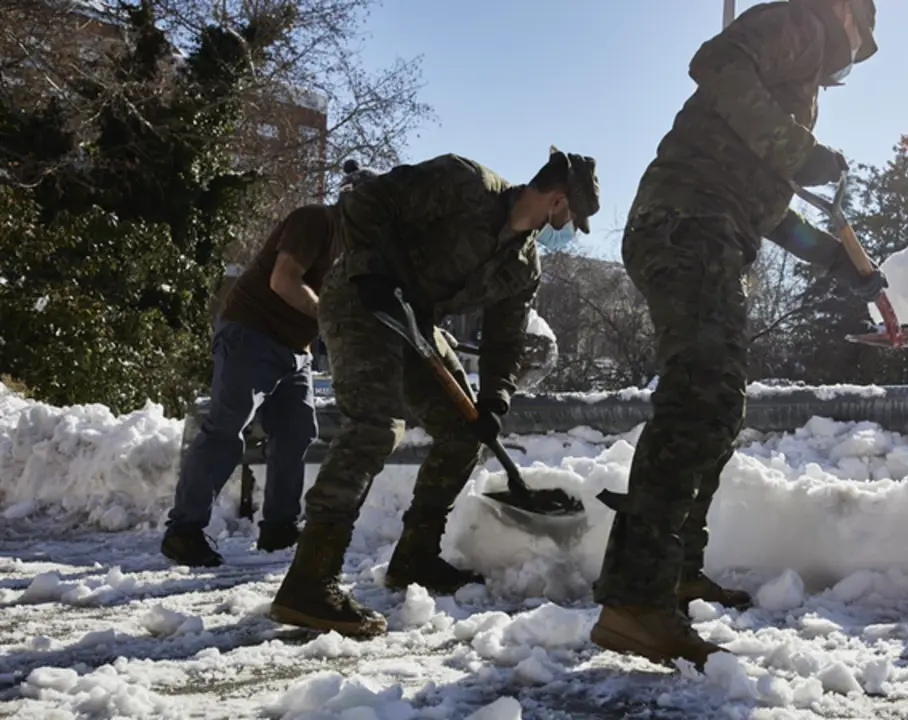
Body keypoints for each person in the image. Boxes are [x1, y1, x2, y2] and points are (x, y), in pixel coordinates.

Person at [589, 0, 887, 667]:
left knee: (718, 405)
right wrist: (798, 150)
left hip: (710, 227)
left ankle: (673, 573)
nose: (851, 50)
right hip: (688, 221)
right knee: (700, 397)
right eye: (857, 31)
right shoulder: (796, 25)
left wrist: (840, 263)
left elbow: (774, 211)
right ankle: (635, 601)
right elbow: (714, 61)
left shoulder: (798, 84)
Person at [266, 148, 600, 638]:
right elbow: (367, 200)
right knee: (375, 428)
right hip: (362, 299)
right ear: (556, 201)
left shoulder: (524, 265)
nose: (567, 229)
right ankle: (309, 581)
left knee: (465, 433)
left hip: (416, 323)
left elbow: (505, 341)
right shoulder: (464, 183)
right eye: (571, 218)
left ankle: (415, 557)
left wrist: (494, 401)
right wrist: (370, 268)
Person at [160, 161, 375, 567]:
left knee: (297, 431)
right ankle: (183, 531)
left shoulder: (354, 250)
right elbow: (284, 280)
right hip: (250, 334)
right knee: (227, 427)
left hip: (295, 351)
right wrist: (330, 317)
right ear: (351, 200)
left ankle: (279, 527)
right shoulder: (315, 221)